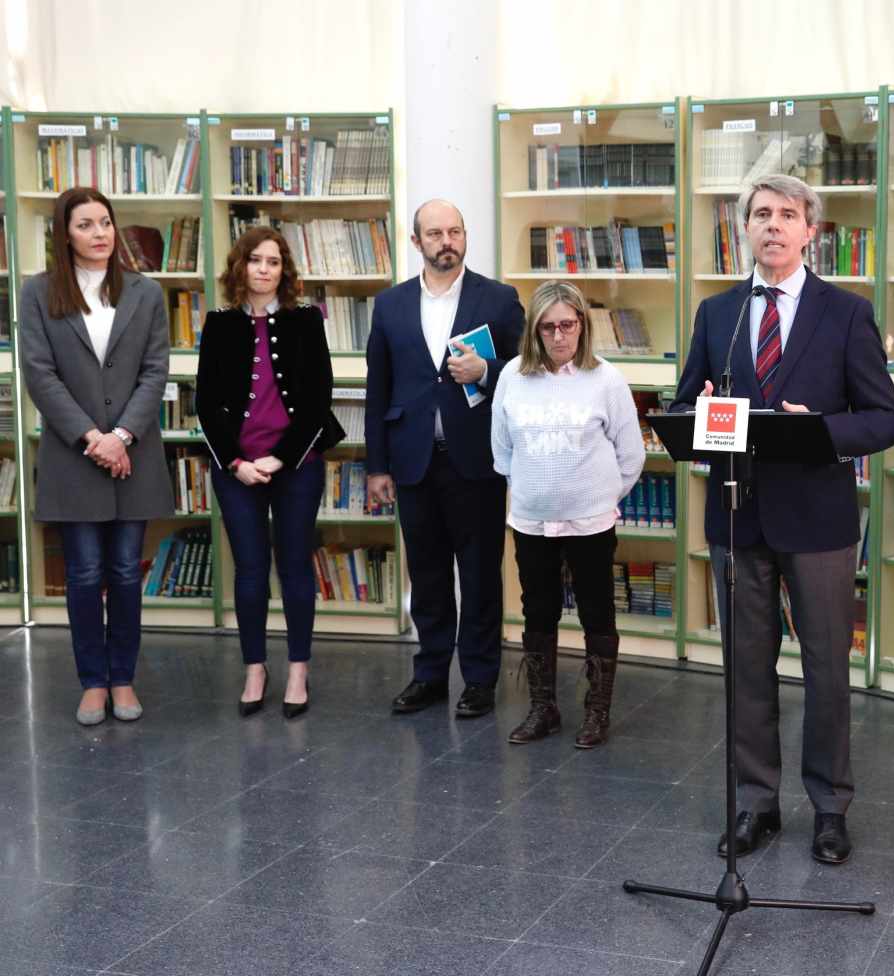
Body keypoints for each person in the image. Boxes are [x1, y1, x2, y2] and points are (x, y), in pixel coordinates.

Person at [672, 174, 894, 865]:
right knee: (746, 669)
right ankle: (755, 803)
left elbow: (885, 419)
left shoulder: (846, 313)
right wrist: (700, 409)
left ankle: (830, 808)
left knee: (828, 669)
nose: (772, 225)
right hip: (738, 519)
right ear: (744, 228)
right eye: (760, 214)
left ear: (811, 231)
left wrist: (822, 430)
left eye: (787, 214)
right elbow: (687, 407)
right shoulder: (718, 313)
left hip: (819, 522)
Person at [365, 199, 524, 717]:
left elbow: (528, 375)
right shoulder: (390, 305)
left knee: (479, 575)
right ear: (417, 243)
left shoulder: (499, 300)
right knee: (427, 574)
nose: (446, 241)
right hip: (413, 460)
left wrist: (486, 369)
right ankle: (430, 673)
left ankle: (479, 679)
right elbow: (378, 387)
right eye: (435, 233)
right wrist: (377, 466)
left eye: (455, 231)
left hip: (475, 460)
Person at [19, 187, 171, 725]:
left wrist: (122, 436)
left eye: (105, 222)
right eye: (86, 225)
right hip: (73, 456)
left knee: (127, 571)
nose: (100, 233)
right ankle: (93, 681)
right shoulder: (37, 293)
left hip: (134, 455)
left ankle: (123, 678)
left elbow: (156, 371)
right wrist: (93, 438)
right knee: (84, 573)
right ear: (65, 233)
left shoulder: (145, 293)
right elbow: (39, 374)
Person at [196, 227, 345, 719]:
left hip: (295, 463)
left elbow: (318, 399)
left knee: (296, 565)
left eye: (274, 262)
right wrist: (236, 463)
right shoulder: (218, 324)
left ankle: (298, 669)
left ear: (285, 271)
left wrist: (281, 457)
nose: (264, 269)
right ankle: (255, 668)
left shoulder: (306, 320)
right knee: (251, 568)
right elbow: (206, 403)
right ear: (240, 267)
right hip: (236, 468)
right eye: (255, 260)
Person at [491, 280, 644, 748]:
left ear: (582, 325)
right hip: (532, 521)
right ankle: (543, 708)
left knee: (598, 613)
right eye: (548, 327)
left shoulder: (607, 380)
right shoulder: (512, 376)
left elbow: (631, 455)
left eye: (568, 325)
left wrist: (599, 498)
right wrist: (537, 492)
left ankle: (597, 712)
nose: (559, 336)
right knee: (538, 612)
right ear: (534, 330)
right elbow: (502, 451)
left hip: (592, 522)